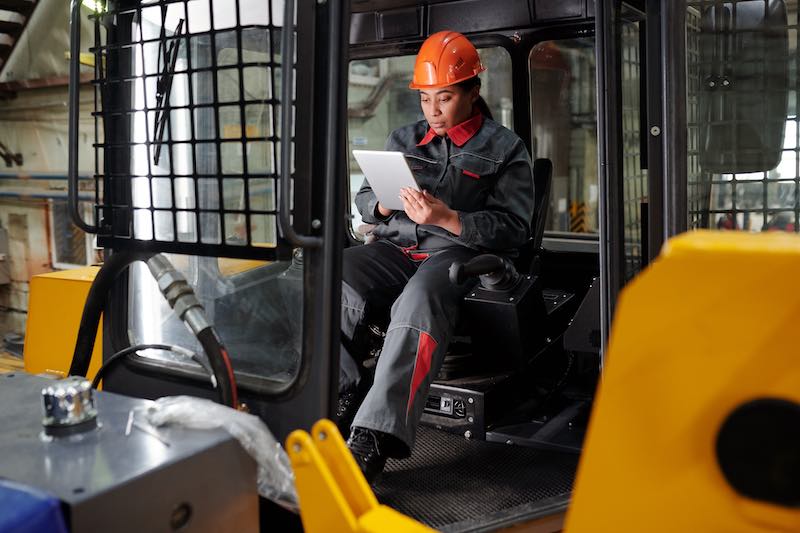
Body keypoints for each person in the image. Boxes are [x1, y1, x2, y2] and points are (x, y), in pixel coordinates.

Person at [339, 30, 535, 483]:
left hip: (454, 255)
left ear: (472, 92)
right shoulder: (403, 137)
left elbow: (515, 228)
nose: (433, 110)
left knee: (417, 303)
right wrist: (383, 204)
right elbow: (366, 200)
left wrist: (449, 219)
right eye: (426, 99)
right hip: (394, 248)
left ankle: (372, 436)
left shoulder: (504, 149)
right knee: (333, 276)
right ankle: (341, 396)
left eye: (444, 98)